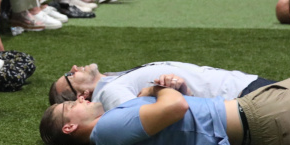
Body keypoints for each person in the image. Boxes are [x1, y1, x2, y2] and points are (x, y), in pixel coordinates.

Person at [40, 78, 290, 145]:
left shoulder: (109, 129)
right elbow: (176, 107)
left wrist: (176, 91)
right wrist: (156, 89)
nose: (81, 99)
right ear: (69, 127)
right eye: (72, 105)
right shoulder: (107, 129)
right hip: (262, 119)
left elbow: (183, 118)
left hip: (260, 121)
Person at [47, 60, 274, 108]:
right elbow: (136, 117)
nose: (74, 67)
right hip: (240, 96)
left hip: (239, 85)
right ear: (82, 95)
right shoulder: (110, 94)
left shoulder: (111, 84)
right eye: (70, 75)